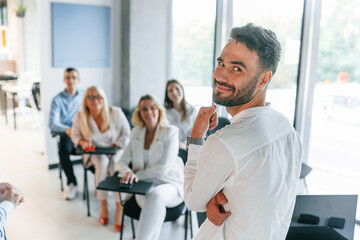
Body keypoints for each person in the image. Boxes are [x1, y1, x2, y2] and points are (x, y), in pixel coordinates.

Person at [184, 23, 302, 239]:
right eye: (221, 63)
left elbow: (193, 201)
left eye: (237, 68)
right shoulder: (286, 129)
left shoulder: (223, 143)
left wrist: (195, 138)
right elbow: (262, 194)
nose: (221, 76)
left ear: (264, 79)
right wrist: (220, 195)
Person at [117, 94, 184, 240]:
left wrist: (137, 175)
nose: (149, 112)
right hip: (144, 186)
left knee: (156, 196)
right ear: (139, 113)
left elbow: (163, 169)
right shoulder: (136, 133)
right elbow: (121, 162)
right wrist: (128, 172)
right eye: (144, 109)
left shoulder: (170, 132)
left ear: (159, 110)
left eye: (152, 108)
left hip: (170, 183)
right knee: (153, 202)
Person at [71, 86, 131, 232]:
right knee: (102, 163)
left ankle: (119, 207)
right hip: (95, 153)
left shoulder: (115, 112)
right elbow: (75, 136)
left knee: (115, 166)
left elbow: (127, 133)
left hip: (115, 150)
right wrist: (83, 142)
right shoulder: (80, 116)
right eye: (90, 97)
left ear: (103, 99)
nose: (94, 100)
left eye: (98, 97)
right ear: (85, 101)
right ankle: (103, 205)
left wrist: (117, 145)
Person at [49, 67, 84, 200]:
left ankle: (101, 182)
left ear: (78, 80)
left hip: (84, 133)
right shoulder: (57, 100)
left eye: (73, 77)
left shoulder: (85, 95)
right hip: (68, 134)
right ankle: (72, 183)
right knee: (62, 147)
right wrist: (68, 130)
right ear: (64, 80)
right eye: (68, 77)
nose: (71, 80)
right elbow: (53, 124)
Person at [164, 79, 197, 149]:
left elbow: (197, 134)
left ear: (182, 90)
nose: (174, 93)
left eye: (177, 88)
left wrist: (186, 145)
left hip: (188, 149)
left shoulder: (192, 111)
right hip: (169, 147)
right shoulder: (164, 112)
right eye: (170, 90)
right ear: (167, 95)